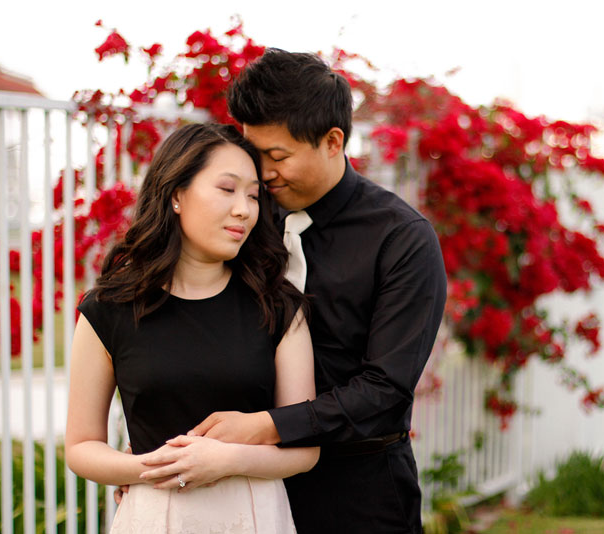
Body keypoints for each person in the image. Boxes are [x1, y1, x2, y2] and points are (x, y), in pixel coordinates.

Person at [187, 49, 448, 534]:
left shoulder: (401, 239)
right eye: (254, 152)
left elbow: (386, 390)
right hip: (244, 483)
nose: (262, 173)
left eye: (278, 155)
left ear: (333, 141)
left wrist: (268, 426)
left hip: (359, 492)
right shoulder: (247, 220)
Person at [65, 123, 319, 533]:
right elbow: (81, 446)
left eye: (253, 196)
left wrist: (226, 459)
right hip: (154, 514)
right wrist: (151, 468)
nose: (244, 209)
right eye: (227, 189)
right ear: (177, 195)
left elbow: (305, 448)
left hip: (253, 515)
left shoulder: (279, 306)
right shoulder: (108, 309)